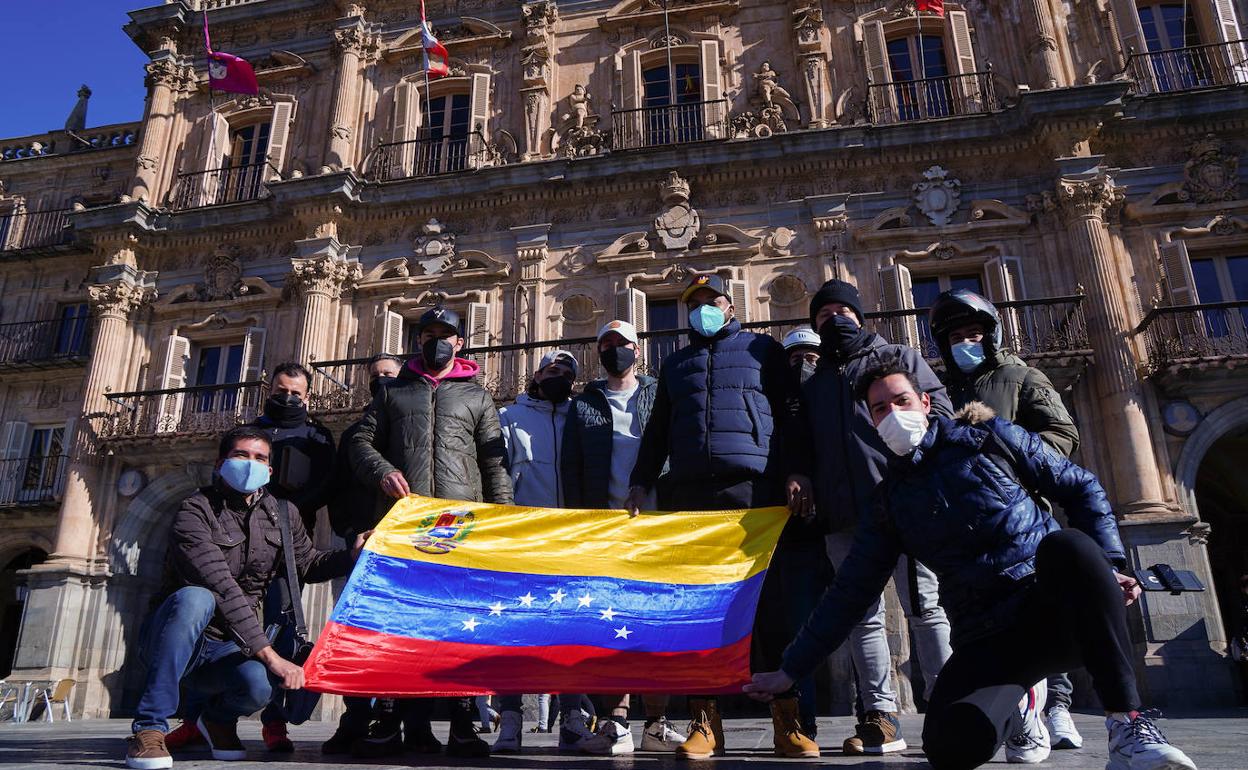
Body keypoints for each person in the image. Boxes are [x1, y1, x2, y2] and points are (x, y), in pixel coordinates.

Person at [747, 365, 1199, 770]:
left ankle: (1128, 724)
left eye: (901, 401)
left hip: (1052, 608)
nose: (893, 414)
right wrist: (791, 668)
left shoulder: (991, 437)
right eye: (880, 408)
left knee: (1070, 546)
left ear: (925, 403)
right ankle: (1022, 701)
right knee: (950, 748)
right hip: (985, 634)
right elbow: (849, 592)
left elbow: (1080, 487)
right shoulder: (888, 504)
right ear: (872, 421)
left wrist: (1111, 564)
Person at [627, 274, 817, 760]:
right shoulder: (675, 364)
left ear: (731, 305)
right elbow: (658, 429)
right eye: (694, 304)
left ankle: (788, 722)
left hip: (755, 490)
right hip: (691, 494)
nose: (702, 309)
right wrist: (640, 480)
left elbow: (791, 414)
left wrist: (796, 470)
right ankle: (705, 722)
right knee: (700, 610)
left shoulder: (762, 350)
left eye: (711, 300)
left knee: (770, 609)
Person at [125, 426, 366, 770]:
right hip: (173, 639)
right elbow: (222, 588)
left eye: (260, 458)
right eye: (241, 455)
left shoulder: (284, 514)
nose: (251, 463)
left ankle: (218, 719)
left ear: (270, 469)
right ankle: (149, 727)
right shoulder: (195, 510)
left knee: (258, 687)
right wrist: (271, 657)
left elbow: (308, 564)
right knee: (196, 598)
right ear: (221, 462)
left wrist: (352, 554)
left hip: (226, 647)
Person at [787, 279, 953, 756]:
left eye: (842, 311)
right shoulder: (816, 381)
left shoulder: (898, 358)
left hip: (905, 504)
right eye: (823, 315)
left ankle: (949, 704)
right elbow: (805, 442)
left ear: (859, 316)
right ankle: (880, 716)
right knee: (862, 618)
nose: (833, 320)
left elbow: (940, 413)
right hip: (843, 516)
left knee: (925, 608)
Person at [349, 305, 512, 759]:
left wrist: (503, 520)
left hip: (462, 525)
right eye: (428, 333)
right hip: (406, 523)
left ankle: (463, 722)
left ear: (459, 342)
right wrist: (381, 470)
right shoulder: (392, 392)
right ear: (418, 340)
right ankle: (389, 718)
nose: (436, 341)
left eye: (445, 334)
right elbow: (360, 442)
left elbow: (494, 462)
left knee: (458, 626)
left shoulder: (478, 397)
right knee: (401, 623)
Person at [930, 288, 1083, 758]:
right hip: (967, 525)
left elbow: (1063, 434)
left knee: (1041, 608)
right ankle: (1012, 709)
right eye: (955, 336)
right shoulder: (940, 390)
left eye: (973, 333)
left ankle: (1057, 705)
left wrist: (1011, 458)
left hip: (1023, 515)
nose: (965, 342)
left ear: (991, 334)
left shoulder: (1022, 376)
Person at [558, 319, 687, 755]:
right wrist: (581, 522)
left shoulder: (659, 393)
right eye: (607, 344)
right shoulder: (585, 404)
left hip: (657, 524)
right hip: (606, 527)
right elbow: (571, 467)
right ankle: (616, 719)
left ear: (638, 349)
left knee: (655, 624)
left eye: (622, 343)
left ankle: (656, 721)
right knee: (612, 625)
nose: (615, 350)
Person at [244, 362, 337, 752]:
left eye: (296, 393)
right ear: (269, 390)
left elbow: (327, 484)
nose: (288, 398)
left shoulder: (318, 437)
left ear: (308, 396)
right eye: (281, 391)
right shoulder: (249, 433)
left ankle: (275, 723)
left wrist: (288, 513)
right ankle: (202, 721)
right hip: (241, 543)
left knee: (282, 628)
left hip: (289, 546)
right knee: (220, 629)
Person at [492, 349, 579, 752]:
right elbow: (498, 472)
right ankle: (510, 719)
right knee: (515, 631)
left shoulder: (582, 416)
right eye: (552, 370)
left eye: (566, 373)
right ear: (538, 375)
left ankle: (573, 718)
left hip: (572, 540)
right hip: (523, 540)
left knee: (572, 633)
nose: (558, 376)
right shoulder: (509, 416)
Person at [320, 354, 402, 756]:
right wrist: (351, 532)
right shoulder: (354, 432)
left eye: (389, 375)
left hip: (408, 549)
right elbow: (339, 491)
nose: (381, 381)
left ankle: (399, 720)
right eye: (376, 376)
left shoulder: (411, 430)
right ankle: (354, 717)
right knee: (355, 635)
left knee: (402, 636)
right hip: (361, 547)